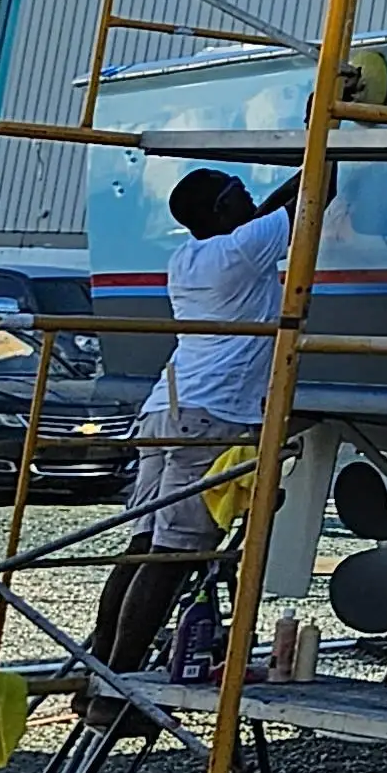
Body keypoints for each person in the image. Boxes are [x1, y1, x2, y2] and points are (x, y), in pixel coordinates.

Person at [81, 165, 298, 714]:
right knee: (174, 557)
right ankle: (122, 689)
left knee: (142, 547)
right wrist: (335, 136)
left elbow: (270, 209)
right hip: (210, 419)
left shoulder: (191, 256)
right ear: (224, 211)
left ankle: (100, 672)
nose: (253, 202)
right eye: (241, 196)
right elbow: (314, 192)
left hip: (165, 409)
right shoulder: (243, 250)